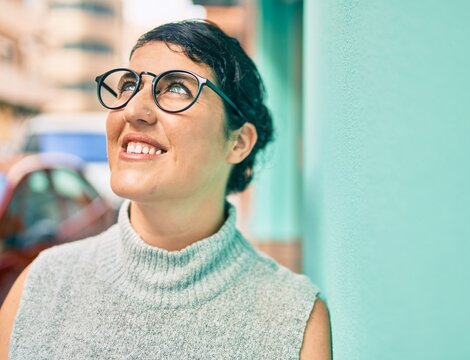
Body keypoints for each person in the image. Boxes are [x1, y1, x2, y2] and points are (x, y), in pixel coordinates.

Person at [0, 20, 331, 359]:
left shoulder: (294, 319)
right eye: (129, 85)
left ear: (238, 142)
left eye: (177, 88)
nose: (132, 110)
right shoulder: (40, 287)